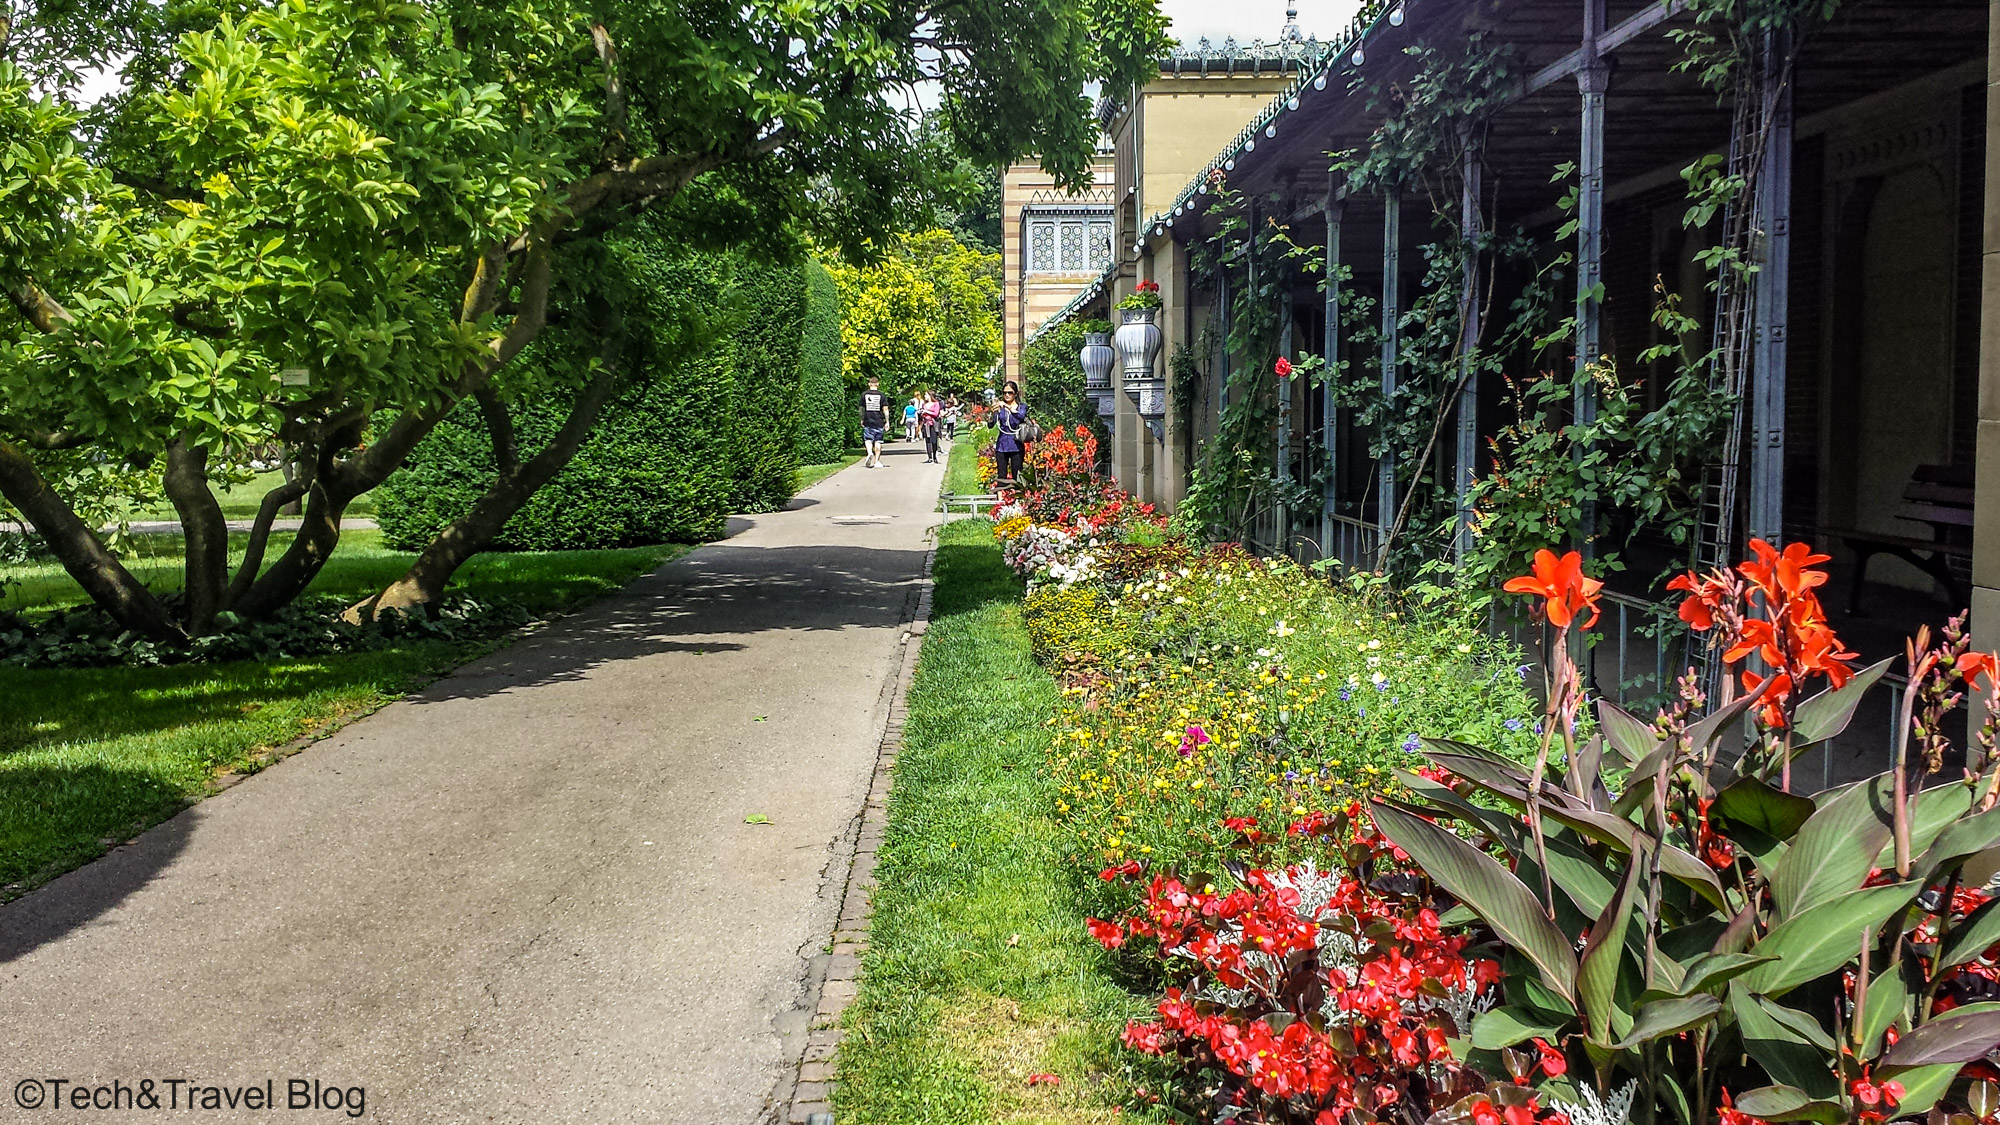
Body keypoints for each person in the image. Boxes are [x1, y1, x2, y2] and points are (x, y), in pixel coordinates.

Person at [992, 381, 1030, 486]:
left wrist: (1006, 406)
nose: (1007, 395)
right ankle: (1000, 496)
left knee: (1017, 476)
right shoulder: (1000, 408)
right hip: (1002, 445)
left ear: (1016, 394)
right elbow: (991, 424)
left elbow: (1020, 416)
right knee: (1001, 476)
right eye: (1004, 393)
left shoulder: (1022, 407)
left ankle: (1016, 495)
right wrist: (993, 413)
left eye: (1010, 392)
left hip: (1016, 445)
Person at [859, 375, 891, 468]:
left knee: (868, 439)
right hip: (879, 421)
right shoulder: (881, 395)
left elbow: (861, 409)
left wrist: (862, 418)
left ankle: (869, 452)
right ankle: (877, 461)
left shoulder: (864, 395)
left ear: (869, 384)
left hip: (868, 420)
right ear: (878, 384)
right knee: (878, 441)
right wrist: (887, 421)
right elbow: (885, 409)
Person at [919, 391, 943, 464]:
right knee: (927, 440)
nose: (925, 396)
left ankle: (934, 456)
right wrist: (921, 413)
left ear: (930, 395)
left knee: (934, 441)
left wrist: (927, 411)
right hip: (926, 423)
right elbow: (922, 415)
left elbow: (936, 414)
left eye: (926, 395)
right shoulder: (924, 405)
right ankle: (930, 457)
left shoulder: (936, 404)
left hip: (933, 424)